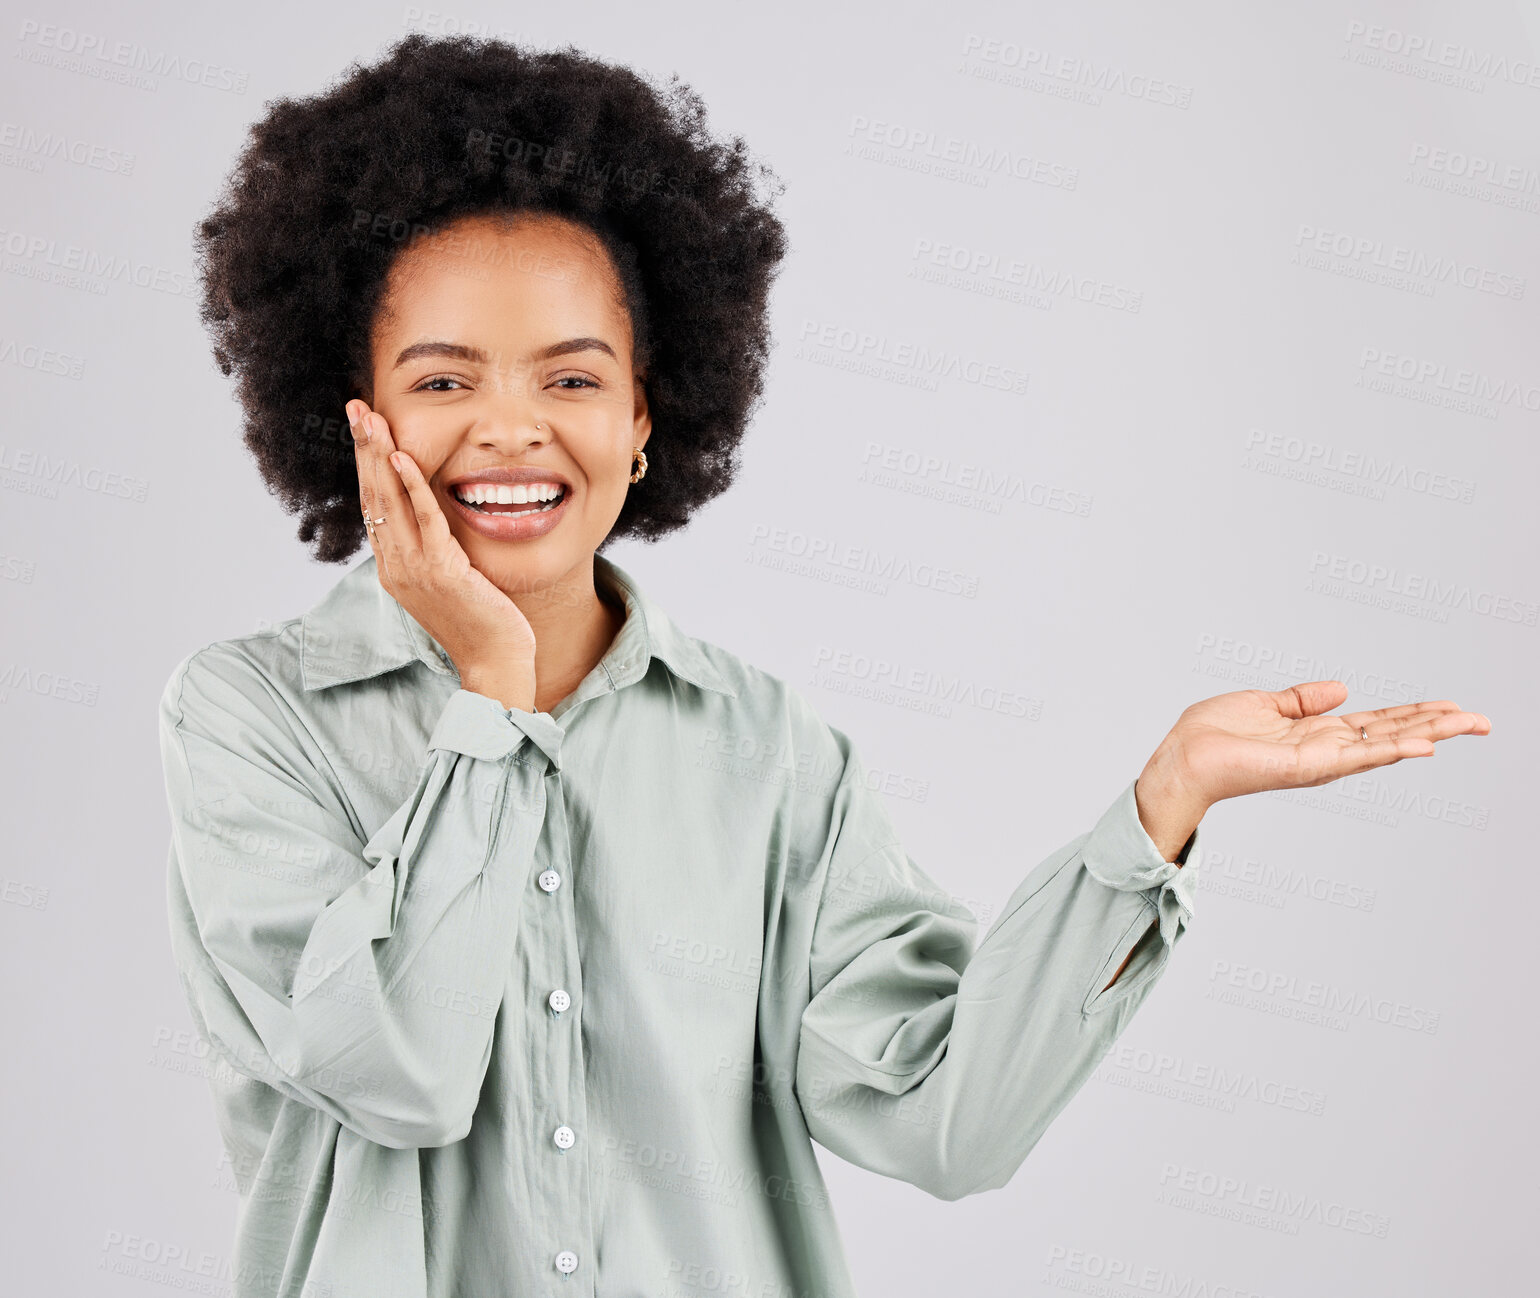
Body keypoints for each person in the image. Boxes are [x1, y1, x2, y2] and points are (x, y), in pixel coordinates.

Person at [156, 33, 1490, 1298]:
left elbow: (945, 1118)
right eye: (444, 383)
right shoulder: (251, 720)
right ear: (359, 416)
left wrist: (1160, 809)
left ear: (641, 423)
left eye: (570, 380)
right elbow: (395, 1071)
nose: (510, 430)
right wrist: (491, 692)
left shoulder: (766, 750)